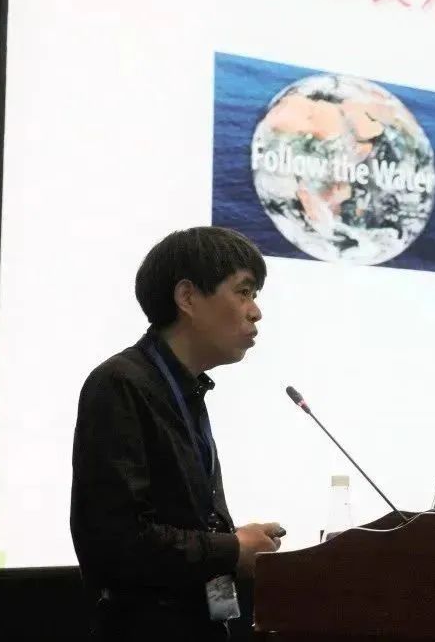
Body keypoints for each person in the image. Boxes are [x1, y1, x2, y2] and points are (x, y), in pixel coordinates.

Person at [70, 226, 285, 641]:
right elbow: (117, 541)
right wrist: (233, 549)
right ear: (187, 297)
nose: (255, 311)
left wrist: (234, 542)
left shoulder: (187, 388)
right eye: (243, 292)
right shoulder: (120, 384)